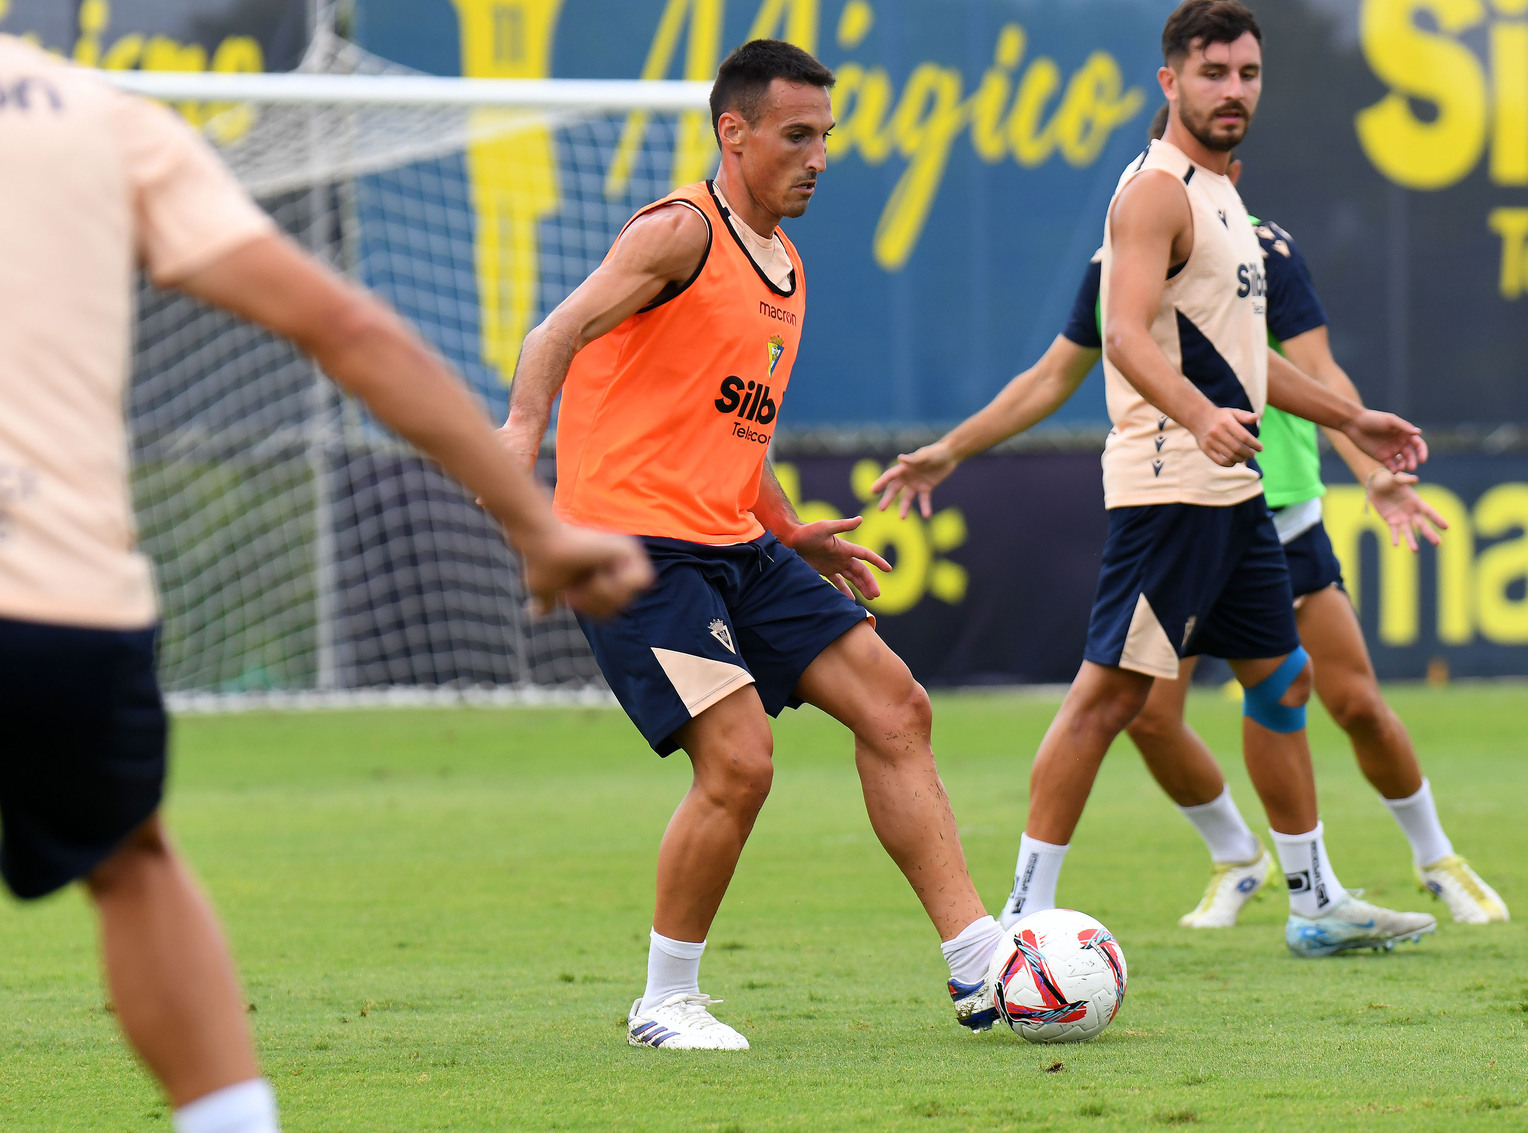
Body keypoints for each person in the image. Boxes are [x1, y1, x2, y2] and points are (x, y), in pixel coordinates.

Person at [0, 35, 651, 1133]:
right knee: (132, 862)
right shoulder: (95, 118)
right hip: (54, 595)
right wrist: (535, 523)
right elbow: (342, 324)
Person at [875, 0, 1437, 958]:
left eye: (1247, 73)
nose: (1233, 90)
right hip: (1171, 489)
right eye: (1213, 73)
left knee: (1282, 681)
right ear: (1170, 81)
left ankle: (1313, 900)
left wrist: (1352, 418)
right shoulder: (1153, 194)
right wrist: (1199, 415)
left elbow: (1251, 361)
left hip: (1235, 497)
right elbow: (1124, 336)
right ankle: (1017, 919)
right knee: (1109, 701)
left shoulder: (1224, 199)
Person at [498, 39, 1003, 1051]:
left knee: (895, 705)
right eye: (796, 136)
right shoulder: (679, 232)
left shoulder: (787, 266)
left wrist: (788, 530)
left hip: (734, 543)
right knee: (738, 760)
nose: (818, 157)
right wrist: (516, 439)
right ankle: (664, 1001)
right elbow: (551, 334)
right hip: (635, 549)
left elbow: (734, 428)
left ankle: (979, 958)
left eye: (825, 137)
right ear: (733, 133)